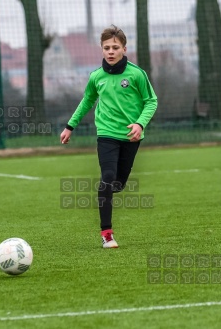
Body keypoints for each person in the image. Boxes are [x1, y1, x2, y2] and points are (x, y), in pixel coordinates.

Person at [59, 25, 157, 248]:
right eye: (106, 48)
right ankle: (107, 234)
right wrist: (69, 126)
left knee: (119, 183)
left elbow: (151, 101)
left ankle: (107, 191)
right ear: (101, 50)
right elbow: (86, 102)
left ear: (124, 48)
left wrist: (140, 124)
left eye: (115, 47)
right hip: (106, 134)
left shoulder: (136, 74)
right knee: (108, 177)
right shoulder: (96, 77)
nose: (110, 51)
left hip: (131, 136)